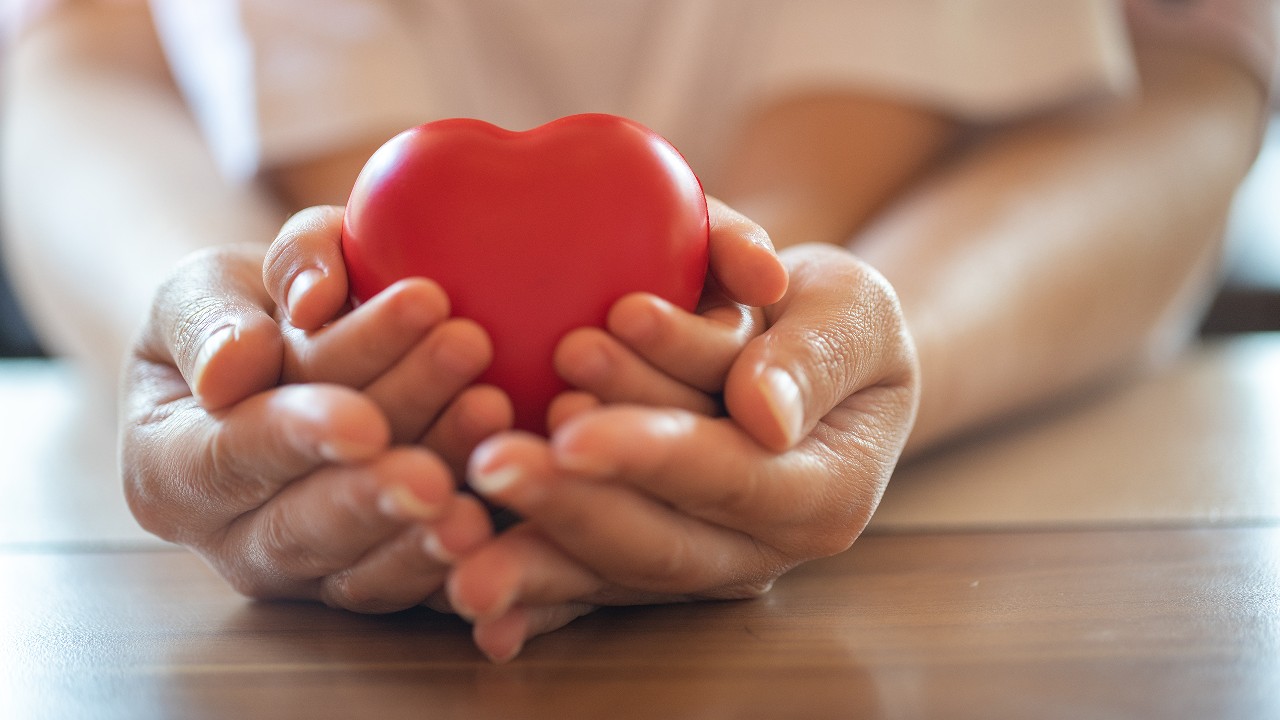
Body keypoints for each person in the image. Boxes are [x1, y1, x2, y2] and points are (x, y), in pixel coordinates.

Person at [2, 0, 1273, 663]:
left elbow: (1185, 65)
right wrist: (223, 349)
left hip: (1035, 502)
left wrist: (859, 354)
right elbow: (78, 54)